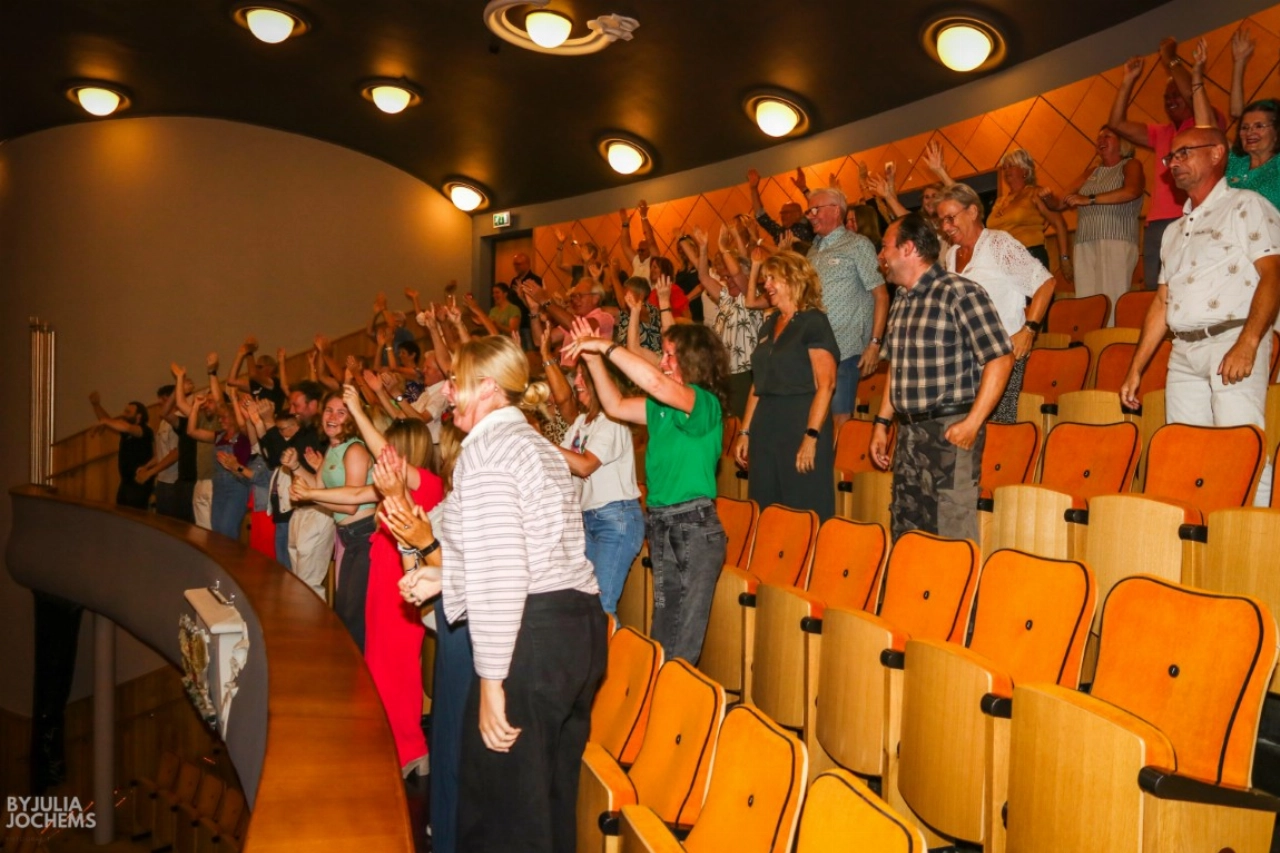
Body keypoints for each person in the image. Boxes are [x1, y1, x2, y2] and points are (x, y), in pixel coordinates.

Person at [397, 335, 606, 853]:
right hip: (575, 626)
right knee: (549, 802)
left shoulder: (487, 451)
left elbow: (507, 570)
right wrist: (447, 578)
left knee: (503, 817)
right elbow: (535, 550)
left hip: (530, 641)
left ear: (487, 388)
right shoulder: (536, 444)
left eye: (457, 381)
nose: (448, 391)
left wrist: (491, 682)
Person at [1120, 125, 1280, 507]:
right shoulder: (1174, 231)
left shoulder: (1246, 205)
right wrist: (1136, 368)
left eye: (1184, 153)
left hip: (1232, 340)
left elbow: (1273, 274)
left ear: (1217, 154)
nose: (1174, 163)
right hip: (1184, 352)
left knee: (1241, 449)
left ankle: (1260, 545)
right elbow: (1162, 302)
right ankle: (1205, 542)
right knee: (1190, 454)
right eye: (1170, 157)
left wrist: (1249, 343)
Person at [565, 321, 729, 665]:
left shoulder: (704, 404)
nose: (663, 362)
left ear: (694, 360)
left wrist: (606, 345)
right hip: (663, 524)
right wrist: (593, 358)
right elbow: (615, 405)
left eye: (670, 355)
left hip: (693, 525)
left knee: (680, 641)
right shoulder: (662, 407)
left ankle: (676, 711)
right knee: (664, 631)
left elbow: (655, 382)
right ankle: (661, 708)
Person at [871, 214, 1014, 541]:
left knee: (952, 534)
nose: (882, 256)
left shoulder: (959, 293)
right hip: (908, 434)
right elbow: (898, 367)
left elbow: (1001, 358)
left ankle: (961, 595)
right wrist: (882, 422)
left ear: (908, 249)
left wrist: (972, 423)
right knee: (908, 533)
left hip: (949, 430)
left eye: (885, 247)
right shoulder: (901, 302)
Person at [1111, 37, 1227, 289]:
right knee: (1155, 294)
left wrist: (1170, 60)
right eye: (1166, 97)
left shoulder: (1204, 125)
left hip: (1192, 216)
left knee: (1191, 288)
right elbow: (1117, 123)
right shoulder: (1161, 132)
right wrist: (1128, 81)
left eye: (1177, 95)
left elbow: (1193, 92)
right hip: (1157, 226)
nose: (1171, 100)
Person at [935, 182, 1054, 423]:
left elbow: (1045, 283)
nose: (946, 227)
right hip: (965, 363)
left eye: (950, 218)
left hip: (1002, 358)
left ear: (972, 212)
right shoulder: (951, 254)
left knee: (996, 436)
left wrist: (1029, 330)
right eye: (942, 221)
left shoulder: (998, 243)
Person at [732, 250, 839, 519]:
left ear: (795, 280)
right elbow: (758, 384)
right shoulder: (768, 325)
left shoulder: (814, 321)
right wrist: (744, 432)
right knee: (765, 507)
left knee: (804, 506)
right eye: (765, 278)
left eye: (773, 278)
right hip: (766, 428)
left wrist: (811, 436)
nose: (765, 284)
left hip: (800, 422)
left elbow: (826, 385)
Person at [290, 391, 375, 648]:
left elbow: (350, 504)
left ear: (351, 418)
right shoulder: (332, 448)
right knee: (345, 611)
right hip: (349, 538)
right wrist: (296, 468)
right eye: (329, 410)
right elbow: (317, 485)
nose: (332, 416)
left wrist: (310, 495)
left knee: (353, 614)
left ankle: (357, 678)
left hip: (365, 535)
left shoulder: (355, 449)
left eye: (341, 412)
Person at [558, 366, 644, 617]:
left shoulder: (612, 420)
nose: (577, 382)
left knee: (600, 608)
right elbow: (558, 466)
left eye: (584, 375)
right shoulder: (579, 423)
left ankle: (606, 657)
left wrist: (538, 443)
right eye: (577, 375)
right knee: (584, 606)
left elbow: (585, 465)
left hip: (615, 519)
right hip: (588, 521)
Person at [804, 186, 889, 431]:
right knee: (816, 421)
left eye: (815, 209)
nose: (810, 215)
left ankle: (839, 469)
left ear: (835, 210)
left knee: (841, 419)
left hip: (846, 350)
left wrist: (874, 343)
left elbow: (881, 295)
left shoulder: (857, 244)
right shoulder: (813, 250)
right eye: (809, 210)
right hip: (814, 351)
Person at [1051, 127, 1145, 319]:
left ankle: (1110, 346)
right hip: (1085, 242)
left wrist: (1089, 199)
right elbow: (1060, 201)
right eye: (1099, 136)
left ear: (1123, 142)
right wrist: (1045, 199)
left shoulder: (1131, 164)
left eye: (1107, 136)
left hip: (1116, 239)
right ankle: (1089, 346)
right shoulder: (1091, 172)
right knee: (1087, 304)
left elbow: (1131, 191)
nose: (1100, 139)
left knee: (1112, 300)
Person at [1191, 32, 1280, 210]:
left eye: (1259, 126)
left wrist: (1239, 64)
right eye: (1245, 128)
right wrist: (1196, 75)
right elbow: (1207, 129)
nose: (1250, 132)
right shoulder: (1235, 162)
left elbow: (1237, 111)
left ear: (1277, 131)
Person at [89, 392, 154, 509]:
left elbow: (126, 427)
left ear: (138, 417)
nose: (123, 414)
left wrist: (105, 421)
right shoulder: (126, 432)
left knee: (135, 519)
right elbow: (110, 421)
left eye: (128, 412)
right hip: (126, 483)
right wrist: (96, 405)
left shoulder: (144, 430)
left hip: (139, 483)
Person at [747, 166, 816, 245]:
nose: (782, 216)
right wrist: (753, 189)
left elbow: (815, 207)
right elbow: (761, 217)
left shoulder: (809, 222)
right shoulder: (780, 233)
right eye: (782, 213)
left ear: (797, 214)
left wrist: (804, 188)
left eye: (786, 212)